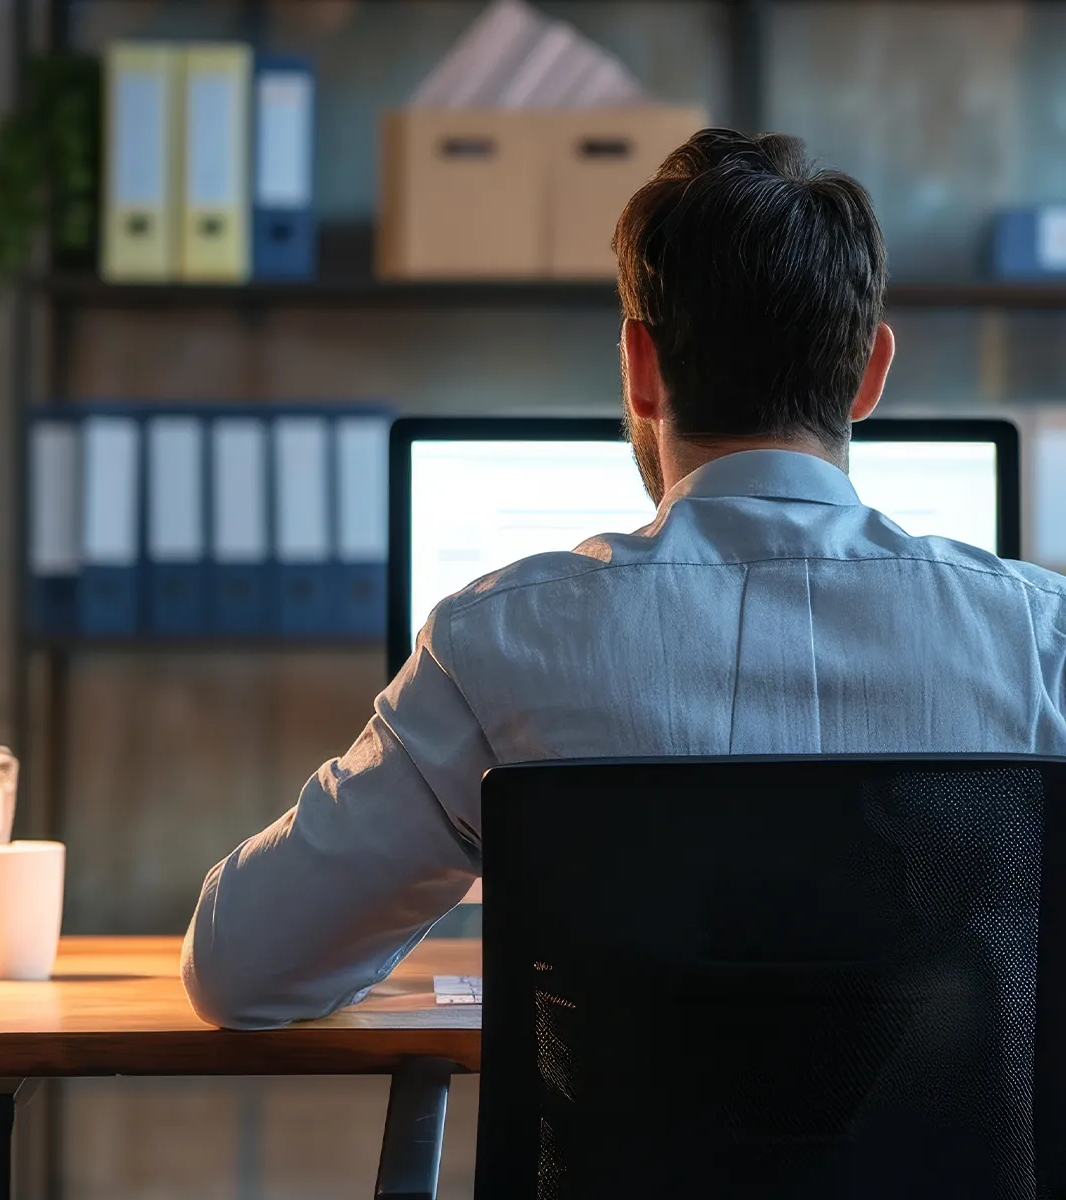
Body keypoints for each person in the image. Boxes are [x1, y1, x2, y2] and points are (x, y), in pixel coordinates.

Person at [182, 128, 1066, 1030]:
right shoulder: (1038, 641)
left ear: (640, 368)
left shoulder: (498, 646)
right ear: (870, 373)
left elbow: (241, 970)